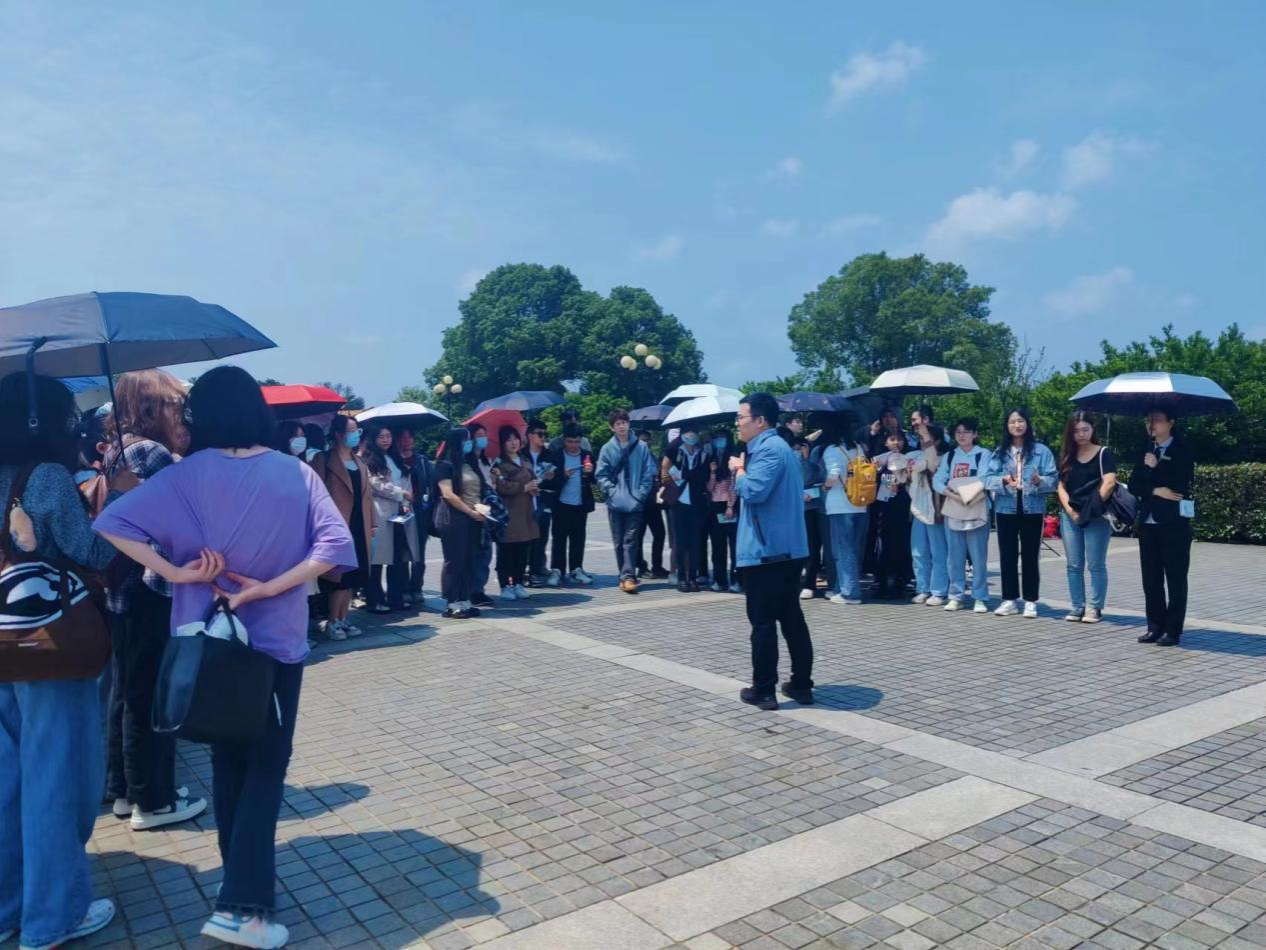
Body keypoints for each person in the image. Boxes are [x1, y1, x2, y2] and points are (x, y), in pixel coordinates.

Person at [95, 365, 356, 949]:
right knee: (265, 765)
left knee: (227, 760)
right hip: (275, 643)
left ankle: (237, 887)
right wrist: (268, 588)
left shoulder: (182, 476)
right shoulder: (294, 473)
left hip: (205, 640)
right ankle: (244, 907)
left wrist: (174, 572)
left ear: (201, 415)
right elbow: (336, 545)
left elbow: (112, 522)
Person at [1, 373, 132, 950]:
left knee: (8, 781)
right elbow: (92, 551)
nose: (73, 425)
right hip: (49, 643)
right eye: (67, 416)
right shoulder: (48, 476)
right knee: (57, 775)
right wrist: (120, 498)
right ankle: (53, 916)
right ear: (38, 422)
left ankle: (8, 908)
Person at [100, 369, 207, 833]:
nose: (179, 412)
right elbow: (171, 521)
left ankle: (127, 790)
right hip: (152, 585)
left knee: (127, 692)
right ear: (150, 407)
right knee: (152, 696)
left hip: (123, 590)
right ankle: (154, 800)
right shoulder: (154, 452)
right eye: (172, 404)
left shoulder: (119, 449)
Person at [731, 393, 812, 711]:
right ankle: (801, 684)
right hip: (788, 548)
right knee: (791, 618)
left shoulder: (768, 449)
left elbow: (754, 491)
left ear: (760, 421)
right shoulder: (780, 448)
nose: (737, 423)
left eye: (741, 417)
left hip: (767, 552)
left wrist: (739, 471)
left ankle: (764, 690)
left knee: (764, 622)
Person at [1129, 407, 1196, 646]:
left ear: (1171, 422)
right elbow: (1134, 484)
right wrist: (1155, 488)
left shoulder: (1182, 449)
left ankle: (1173, 630)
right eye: (1148, 420)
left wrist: (1158, 466)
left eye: (1157, 420)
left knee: (1176, 577)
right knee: (1151, 578)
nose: (1151, 424)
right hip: (1148, 522)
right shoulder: (1146, 449)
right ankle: (1154, 626)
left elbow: (1181, 481)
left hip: (1174, 523)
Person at [984, 409, 1057, 618]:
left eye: (1021, 421)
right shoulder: (1000, 451)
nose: (1017, 425)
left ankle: (1030, 601)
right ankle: (1009, 599)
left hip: (1032, 508)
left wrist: (1039, 481)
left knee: (1030, 555)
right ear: (1007, 426)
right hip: (1005, 508)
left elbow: (1053, 478)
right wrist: (1003, 480)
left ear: (1027, 423)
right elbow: (987, 478)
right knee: (1007, 555)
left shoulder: (1041, 451)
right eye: (1012, 422)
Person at [310, 415, 374, 640]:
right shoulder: (323, 459)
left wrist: (373, 523)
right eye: (351, 430)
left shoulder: (360, 462)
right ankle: (332, 621)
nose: (356, 434)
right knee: (339, 576)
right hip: (336, 525)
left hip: (359, 524)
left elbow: (368, 496)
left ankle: (344, 617)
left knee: (354, 575)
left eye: (357, 430)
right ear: (338, 434)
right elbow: (314, 494)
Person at [1056, 411, 1117, 624]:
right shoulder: (1067, 455)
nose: (1081, 434)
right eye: (1076, 431)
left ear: (1093, 430)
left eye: (1085, 429)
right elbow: (1060, 486)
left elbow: (1109, 482)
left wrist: (1090, 510)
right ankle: (1077, 606)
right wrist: (1070, 511)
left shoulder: (1103, 453)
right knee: (1073, 564)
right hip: (1070, 515)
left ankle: (1094, 607)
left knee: (1096, 564)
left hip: (1096, 515)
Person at [933, 418, 992, 613]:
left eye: (966, 431)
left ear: (975, 434)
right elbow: (938, 480)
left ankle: (980, 597)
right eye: (958, 432)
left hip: (976, 509)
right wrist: (952, 495)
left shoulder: (983, 454)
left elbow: (983, 478)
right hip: (954, 509)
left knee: (978, 557)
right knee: (954, 557)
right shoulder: (950, 456)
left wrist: (960, 491)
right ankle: (956, 596)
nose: (961, 435)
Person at [595, 409, 655, 594]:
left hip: (635, 501)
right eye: (617, 424)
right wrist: (611, 491)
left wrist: (641, 494)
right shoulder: (607, 448)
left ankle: (628, 576)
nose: (621, 426)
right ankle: (624, 575)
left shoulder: (641, 447)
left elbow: (648, 473)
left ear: (629, 424)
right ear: (612, 427)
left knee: (631, 540)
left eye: (624, 422)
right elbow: (601, 475)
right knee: (618, 541)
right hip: (615, 502)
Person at [362, 424, 417, 614]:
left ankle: (396, 597)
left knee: (397, 558)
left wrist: (405, 498)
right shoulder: (368, 459)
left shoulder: (395, 458)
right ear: (373, 439)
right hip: (380, 511)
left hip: (399, 512)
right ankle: (375, 599)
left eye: (388, 436)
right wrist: (400, 493)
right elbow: (375, 484)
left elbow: (405, 480)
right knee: (377, 559)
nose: (386, 440)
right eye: (381, 437)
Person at [434, 427, 487, 619]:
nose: (470, 443)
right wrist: (469, 511)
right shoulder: (445, 465)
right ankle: (451, 602)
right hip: (453, 517)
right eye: (466, 440)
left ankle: (465, 599)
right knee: (454, 560)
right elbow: (448, 494)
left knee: (470, 560)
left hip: (474, 517)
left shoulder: (470, 463)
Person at [491, 426, 540, 601]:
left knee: (523, 548)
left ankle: (518, 582)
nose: (513, 443)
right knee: (507, 549)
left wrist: (534, 488)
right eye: (508, 440)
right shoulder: (499, 464)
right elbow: (501, 486)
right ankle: (505, 585)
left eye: (515, 438)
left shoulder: (524, 460)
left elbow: (532, 479)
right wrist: (523, 487)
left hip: (526, 510)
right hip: (509, 512)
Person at [822, 430, 870, 604]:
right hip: (860, 503)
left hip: (840, 505)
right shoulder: (857, 448)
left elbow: (834, 473)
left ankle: (850, 593)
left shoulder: (832, 450)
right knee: (853, 549)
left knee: (842, 550)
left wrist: (826, 486)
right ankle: (840, 587)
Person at [661, 426, 711, 593]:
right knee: (680, 541)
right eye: (688, 432)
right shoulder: (675, 449)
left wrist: (686, 475)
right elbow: (664, 469)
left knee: (696, 540)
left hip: (697, 500)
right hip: (678, 500)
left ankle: (693, 577)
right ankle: (682, 577)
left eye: (694, 432)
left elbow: (704, 476)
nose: (691, 435)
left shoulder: (702, 452)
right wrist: (669, 483)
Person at [391, 427, 433, 608]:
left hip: (419, 509)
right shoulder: (392, 460)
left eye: (410, 437)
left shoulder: (421, 461)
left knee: (419, 552)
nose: (407, 440)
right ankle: (404, 588)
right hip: (399, 509)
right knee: (402, 550)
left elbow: (432, 483)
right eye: (403, 437)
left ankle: (417, 587)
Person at [870, 429, 914, 598]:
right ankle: (881, 580)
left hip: (901, 504)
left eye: (899, 439)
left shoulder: (909, 458)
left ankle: (899, 580)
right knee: (882, 544)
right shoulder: (880, 460)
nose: (896, 443)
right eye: (892, 439)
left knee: (900, 543)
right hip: (882, 505)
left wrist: (904, 478)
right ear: (885, 442)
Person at [908, 422, 949, 606]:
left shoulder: (945, 458)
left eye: (926, 439)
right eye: (920, 438)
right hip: (918, 508)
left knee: (938, 551)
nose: (922, 442)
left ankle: (939, 591)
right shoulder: (915, 456)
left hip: (936, 509)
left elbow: (932, 465)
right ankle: (922, 588)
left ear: (937, 441)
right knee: (918, 551)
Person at [550, 423, 596, 585]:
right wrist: (563, 475)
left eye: (577, 442)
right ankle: (557, 570)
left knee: (578, 538)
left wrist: (590, 473)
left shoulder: (587, 456)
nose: (573, 445)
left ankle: (576, 569)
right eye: (570, 441)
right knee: (559, 539)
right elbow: (549, 481)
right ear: (564, 440)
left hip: (580, 504)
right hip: (560, 504)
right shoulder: (556, 456)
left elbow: (594, 479)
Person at [524, 420, 560, 587]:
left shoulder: (550, 454)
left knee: (541, 537)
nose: (543, 437)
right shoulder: (521, 454)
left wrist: (549, 479)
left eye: (545, 434)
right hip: (524, 502)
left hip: (544, 502)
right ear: (530, 435)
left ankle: (535, 570)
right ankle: (523, 571)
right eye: (540, 434)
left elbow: (558, 481)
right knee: (525, 537)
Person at [706, 429, 741, 593]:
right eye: (717, 438)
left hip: (729, 506)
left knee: (734, 545)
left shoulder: (732, 459)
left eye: (722, 438)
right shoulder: (712, 458)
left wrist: (730, 506)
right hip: (715, 505)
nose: (719, 441)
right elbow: (709, 488)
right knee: (717, 545)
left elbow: (734, 485)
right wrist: (713, 472)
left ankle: (736, 579)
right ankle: (719, 580)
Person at [468, 423, 496, 610]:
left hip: (487, 511)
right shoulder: (466, 463)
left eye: (484, 434)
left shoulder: (487, 462)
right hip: (472, 511)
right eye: (478, 435)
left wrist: (494, 479)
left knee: (486, 553)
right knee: (473, 553)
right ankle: (471, 590)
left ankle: (480, 588)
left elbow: (491, 487)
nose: (482, 438)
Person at [636, 430, 669, 579]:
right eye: (643, 440)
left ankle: (657, 566)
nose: (646, 443)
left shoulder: (652, 455)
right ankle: (641, 567)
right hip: (640, 501)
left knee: (660, 533)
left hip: (653, 501)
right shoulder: (635, 457)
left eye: (648, 440)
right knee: (639, 535)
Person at [796, 436, 826, 600]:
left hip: (810, 508)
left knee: (812, 547)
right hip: (792, 509)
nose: (798, 451)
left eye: (801, 447)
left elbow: (811, 477)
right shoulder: (784, 459)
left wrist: (806, 458)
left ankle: (809, 583)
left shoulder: (813, 459)